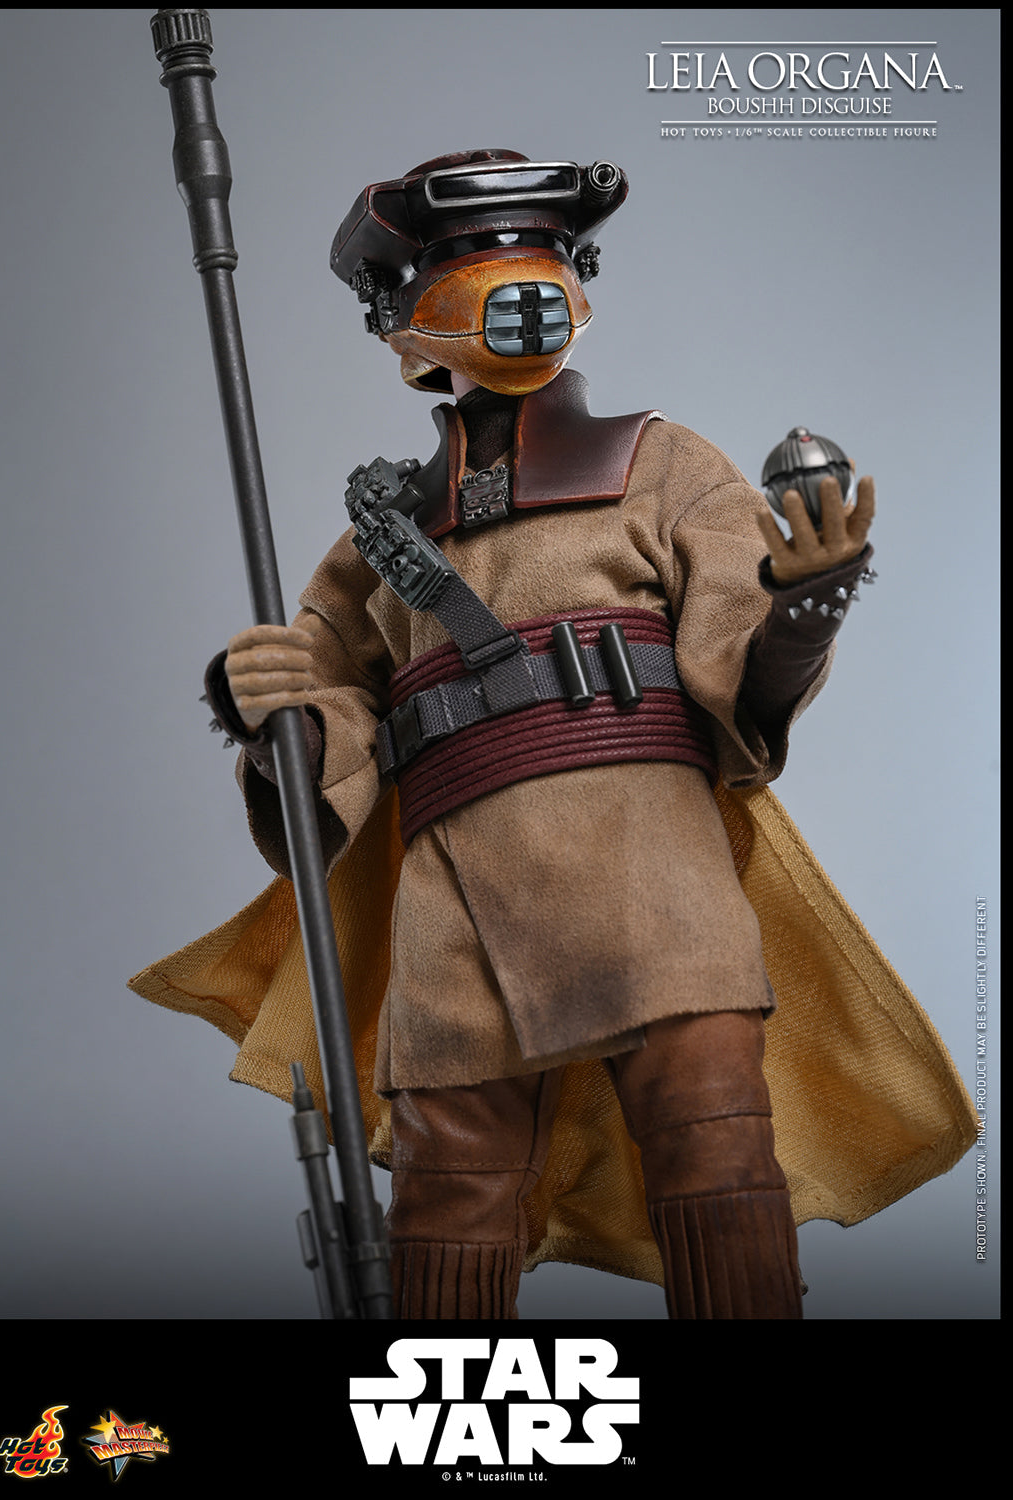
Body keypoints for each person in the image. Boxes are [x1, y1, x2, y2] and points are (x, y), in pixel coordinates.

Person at [131, 151, 976, 1319]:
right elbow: (324, 704)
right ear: (404, 324)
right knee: (450, 1207)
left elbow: (740, 667)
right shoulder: (383, 534)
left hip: (654, 885)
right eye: (469, 263)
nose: (514, 288)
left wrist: (804, 603)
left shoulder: (662, 465)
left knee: (718, 1163)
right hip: (457, 920)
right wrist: (263, 703)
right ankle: (450, 1406)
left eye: (536, 255)